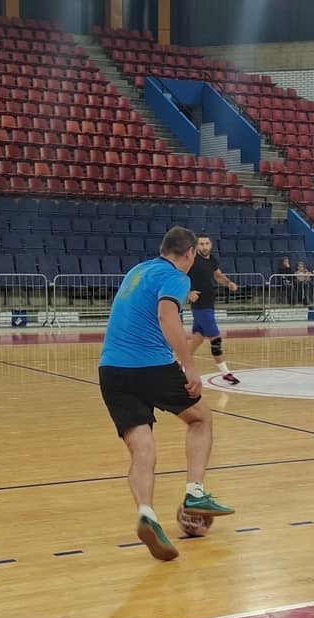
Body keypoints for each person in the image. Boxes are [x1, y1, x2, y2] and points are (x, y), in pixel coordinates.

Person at [99, 227, 233, 561]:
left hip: (111, 370)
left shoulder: (138, 270)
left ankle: (147, 513)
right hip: (151, 366)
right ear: (189, 253)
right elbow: (165, 314)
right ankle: (195, 492)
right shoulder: (176, 276)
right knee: (201, 419)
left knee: (142, 449)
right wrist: (189, 365)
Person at [186, 233, 240, 385]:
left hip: (209, 303)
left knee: (197, 339)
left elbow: (218, 276)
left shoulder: (212, 259)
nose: (204, 246)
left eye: (206, 243)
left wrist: (228, 283)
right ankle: (225, 373)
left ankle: (179, 366)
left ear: (211, 245)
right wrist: (187, 292)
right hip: (201, 305)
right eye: (201, 244)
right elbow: (177, 275)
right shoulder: (191, 259)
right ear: (196, 246)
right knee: (216, 339)